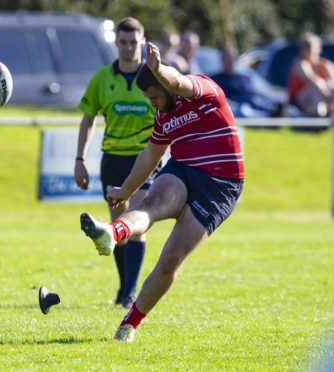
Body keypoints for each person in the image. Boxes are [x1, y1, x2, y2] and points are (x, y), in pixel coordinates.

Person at [80, 42, 244, 342]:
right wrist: (125, 189)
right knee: (151, 204)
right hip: (183, 169)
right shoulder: (163, 117)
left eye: (155, 96)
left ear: (164, 84)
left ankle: (128, 325)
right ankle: (112, 234)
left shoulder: (203, 89)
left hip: (220, 186)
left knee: (171, 260)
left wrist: (158, 69)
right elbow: (150, 156)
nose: (153, 103)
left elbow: (179, 82)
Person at [75, 17, 160, 309]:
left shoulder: (153, 77)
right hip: (113, 160)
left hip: (145, 157)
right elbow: (88, 120)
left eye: (133, 43)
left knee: (137, 219)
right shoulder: (102, 78)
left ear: (142, 43)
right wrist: (79, 160)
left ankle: (129, 292)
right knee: (117, 228)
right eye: (122, 42)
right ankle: (125, 289)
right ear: (117, 43)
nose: (127, 48)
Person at [210, 45, 283, 118]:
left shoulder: (244, 78)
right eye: (226, 58)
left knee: (267, 101)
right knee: (243, 110)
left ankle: (277, 113)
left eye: (231, 58)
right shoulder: (216, 80)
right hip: (238, 106)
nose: (229, 61)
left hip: (255, 102)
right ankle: (268, 116)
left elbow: (254, 92)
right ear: (222, 60)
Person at [288, 33, 334, 117]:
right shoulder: (299, 64)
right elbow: (313, 80)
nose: (307, 50)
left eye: (310, 46)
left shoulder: (326, 64)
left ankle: (325, 114)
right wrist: (328, 96)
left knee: (329, 86)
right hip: (298, 101)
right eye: (305, 47)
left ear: (319, 49)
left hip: (323, 98)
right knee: (315, 88)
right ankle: (319, 117)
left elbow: (332, 81)